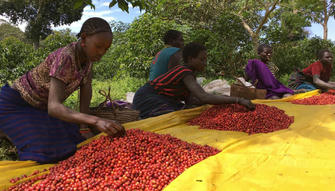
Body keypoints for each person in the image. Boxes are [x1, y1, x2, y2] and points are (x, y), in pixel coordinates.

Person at [0, 17, 125, 163]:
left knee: (73, 137)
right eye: (98, 46)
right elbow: (54, 108)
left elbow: (86, 90)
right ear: (84, 38)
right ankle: (6, 129)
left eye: (106, 49)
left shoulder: (88, 61)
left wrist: (84, 127)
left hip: (40, 109)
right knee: (45, 150)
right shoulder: (65, 57)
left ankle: (17, 128)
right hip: (15, 104)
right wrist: (96, 120)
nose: (102, 52)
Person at [133, 42, 255, 119]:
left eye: (205, 60)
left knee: (186, 111)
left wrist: (219, 103)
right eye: (202, 60)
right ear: (191, 59)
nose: (205, 63)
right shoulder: (184, 72)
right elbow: (203, 97)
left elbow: (192, 100)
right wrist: (238, 100)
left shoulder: (190, 75)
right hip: (148, 97)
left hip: (161, 98)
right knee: (174, 116)